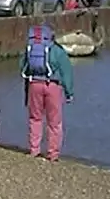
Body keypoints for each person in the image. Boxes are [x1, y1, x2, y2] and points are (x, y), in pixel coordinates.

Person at [22, 23, 75, 161]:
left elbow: (22, 66)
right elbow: (66, 73)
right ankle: (53, 154)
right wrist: (69, 93)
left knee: (35, 118)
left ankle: (34, 150)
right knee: (54, 122)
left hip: (34, 84)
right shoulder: (58, 51)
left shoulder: (31, 49)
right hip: (53, 86)